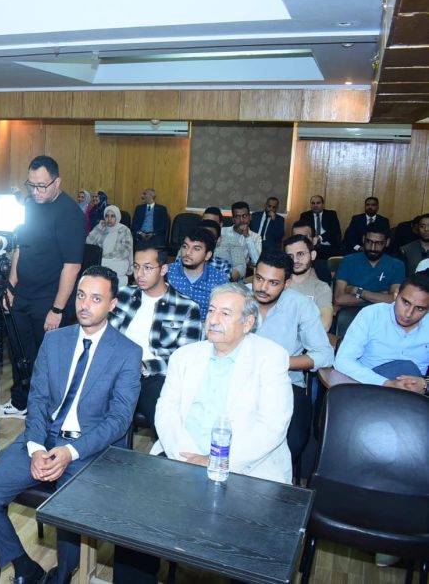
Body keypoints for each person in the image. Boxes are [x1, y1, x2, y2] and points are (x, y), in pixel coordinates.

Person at [0, 266, 142, 584]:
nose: (84, 305)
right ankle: (25, 567)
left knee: (68, 511)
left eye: (96, 298)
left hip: (89, 450)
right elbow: (37, 399)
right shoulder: (55, 341)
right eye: (81, 295)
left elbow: (119, 420)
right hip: (43, 438)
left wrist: (70, 452)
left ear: (113, 304)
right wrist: (36, 447)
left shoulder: (127, 352)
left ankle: (62, 576)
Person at [117, 284, 292, 584]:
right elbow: (166, 411)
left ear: (248, 323)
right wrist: (185, 456)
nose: (213, 319)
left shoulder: (271, 357)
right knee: (133, 522)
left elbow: (272, 427)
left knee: (251, 550)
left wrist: (216, 460)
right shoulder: (186, 355)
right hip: (181, 458)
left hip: (246, 467)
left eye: (225, 313)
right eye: (211, 311)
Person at [0, 155, 85, 419]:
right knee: (19, 351)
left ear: (57, 182)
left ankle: (44, 411)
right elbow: (20, 248)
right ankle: (20, 402)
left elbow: (72, 266)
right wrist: (10, 286)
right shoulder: (30, 205)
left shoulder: (70, 214)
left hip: (50, 298)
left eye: (41, 186)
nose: (36, 191)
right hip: (23, 293)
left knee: (46, 358)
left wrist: (57, 309)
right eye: (31, 185)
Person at [251, 251, 334, 471]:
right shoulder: (237, 297)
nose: (263, 288)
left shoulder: (300, 305)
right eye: (259, 278)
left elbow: (324, 354)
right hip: (237, 379)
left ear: (287, 284)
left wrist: (279, 362)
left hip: (285, 383)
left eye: (273, 283)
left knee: (293, 441)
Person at [111, 246, 201, 429]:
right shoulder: (123, 295)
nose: (140, 274)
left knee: (166, 422)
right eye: (136, 267)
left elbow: (185, 360)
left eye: (147, 268)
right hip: (115, 369)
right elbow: (105, 336)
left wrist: (145, 366)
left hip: (153, 376)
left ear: (163, 269)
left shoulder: (186, 307)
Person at [334, 273, 429, 393]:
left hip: (416, 396)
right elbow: (343, 360)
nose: (408, 314)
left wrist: (426, 384)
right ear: (396, 294)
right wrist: (386, 383)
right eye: (405, 302)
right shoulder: (372, 315)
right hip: (370, 390)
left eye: (420, 308)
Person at [334, 223, 405, 308]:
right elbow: (339, 299)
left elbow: (394, 299)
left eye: (379, 243)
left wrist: (358, 291)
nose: (372, 248)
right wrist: (380, 295)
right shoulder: (348, 261)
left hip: (382, 312)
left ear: (387, 242)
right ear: (363, 239)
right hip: (351, 312)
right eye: (369, 241)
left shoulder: (397, 265)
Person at [165, 227, 228, 321]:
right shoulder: (167, 272)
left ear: (208, 255)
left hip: (202, 328)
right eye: (185, 246)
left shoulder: (219, 280)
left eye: (196, 249)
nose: (188, 252)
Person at [284, 235, 334, 330]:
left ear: (312, 255)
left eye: (300, 254)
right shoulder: (277, 283)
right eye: (290, 256)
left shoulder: (321, 287)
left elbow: (325, 325)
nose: (295, 260)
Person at [86, 204, 132, 286]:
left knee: (100, 265)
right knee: (98, 264)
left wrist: (106, 257)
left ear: (117, 217)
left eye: (112, 216)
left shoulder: (124, 230)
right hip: (103, 260)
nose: (109, 219)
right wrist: (98, 229)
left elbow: (126, 251)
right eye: (107, 216)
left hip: (119, 261)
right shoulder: (102, 228)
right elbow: (88, 243)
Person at [215, 201, 261, 281]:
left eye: (244, 216)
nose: (242, 220)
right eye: (237, 217)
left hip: (240, 276)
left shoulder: (256, 237)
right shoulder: (222, 232)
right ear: (233, 219)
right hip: (219, 270)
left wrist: (247, 237)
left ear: (250, 217)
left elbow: (257, 262)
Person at [299, 195, 342, 259]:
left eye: (318, 203)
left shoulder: (331, 214)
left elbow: (335, 231)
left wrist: (320, 237)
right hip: (312, 246)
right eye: (313, 203)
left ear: (323, 204)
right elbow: (302, 232)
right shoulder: (305, 216)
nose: (315, 205)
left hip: (328, 246)